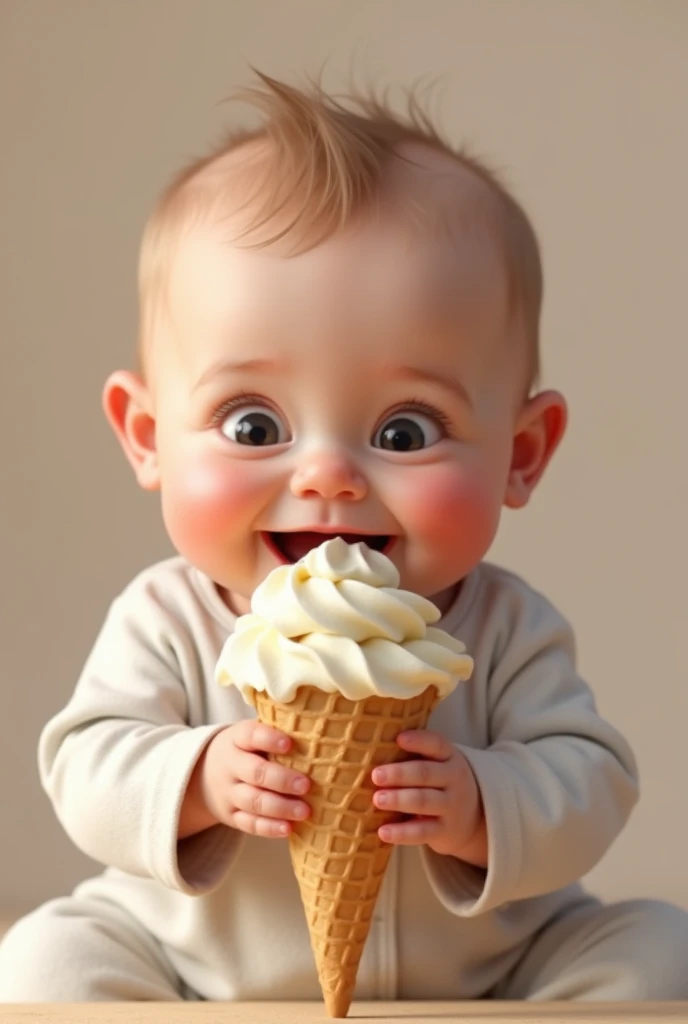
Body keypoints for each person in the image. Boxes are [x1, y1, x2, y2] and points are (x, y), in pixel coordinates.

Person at [1, 72, 687, 1004]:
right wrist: (195, 777)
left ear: (521, 453)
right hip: (195, 973)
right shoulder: (169, 616)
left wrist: (488, 801)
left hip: (490, 977)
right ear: (149, 436)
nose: (327, 474)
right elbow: (85, 760)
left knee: (658, 949)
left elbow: (591, 778)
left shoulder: (504, 627)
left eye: (406, 429)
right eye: (252, 424)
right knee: (44, 959)